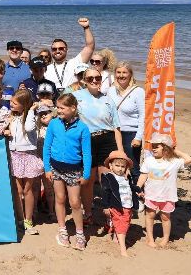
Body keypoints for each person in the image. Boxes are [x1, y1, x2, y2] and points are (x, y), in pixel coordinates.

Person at [74, 67, 123, 226]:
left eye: (97, 78)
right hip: (86, 140)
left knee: (108, 180)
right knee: (88, 180)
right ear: (84, 81)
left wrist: (120, 151)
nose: (94, 81)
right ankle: (88, 212)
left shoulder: (108, 100)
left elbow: (116, 128)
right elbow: (64, 114)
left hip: (107, 139)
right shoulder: (76, 97)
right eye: (90, 78)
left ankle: (110, 213)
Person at [43, 93, 91, 251]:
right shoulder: (53, 124)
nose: (59, 110)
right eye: (58, 107)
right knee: (60, 198)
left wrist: (86, 174)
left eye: (62, 108)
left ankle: (79, 234)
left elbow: (87, 153)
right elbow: (46, 147)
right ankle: (62, 230)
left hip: (74, 170)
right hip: (56, 168)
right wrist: (47, 168)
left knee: (75, 202)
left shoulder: (83, 128)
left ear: (73, 108)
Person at [137, 133, 191, 249]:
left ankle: (165, 238)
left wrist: (175, 150)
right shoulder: (148, 160)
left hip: (167, 196)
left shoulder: (174, 162)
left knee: (165, 217)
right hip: (151, 194)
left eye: (157, 146)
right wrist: (138, 187)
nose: (153, 148)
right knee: (150, 215)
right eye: (152, 145)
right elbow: (143, 175)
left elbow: (189, 159)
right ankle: (150, 237)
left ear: (165, 147)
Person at [4, 89, 43, 235]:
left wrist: (31, 110)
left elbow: (28, 128)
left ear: (24, 105)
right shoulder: (11, 117)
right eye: (12, 101)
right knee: (18, 190)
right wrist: (5, 131)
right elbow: (4, 129)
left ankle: (28, 220)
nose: (11, 104)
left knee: (28, 190)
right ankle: (19, 220)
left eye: (15, 103)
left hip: (28, 155)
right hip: (14, 155)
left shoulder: (30, 117)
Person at [106, 62, 145, 181]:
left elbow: (143, 116)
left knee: (132, 166)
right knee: (115, 165)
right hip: (113, 132)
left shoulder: (138, 91)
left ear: (130, 75)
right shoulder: (111, 90)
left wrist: (138, 137)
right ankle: (120, 193)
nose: (121, 75)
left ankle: (138, 194)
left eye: (124, 72)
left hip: (130, 134)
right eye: (118, 72)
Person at [100, 151, 141, 257]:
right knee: (122, 225)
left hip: (128, 205)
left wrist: (138, 190)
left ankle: (115, 238)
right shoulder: (108, 177)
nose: (120, 168)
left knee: (125, 223)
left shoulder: (126, 177)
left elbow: (130, 187)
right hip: (117, 205)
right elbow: (106, 192)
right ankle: (123, 250)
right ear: (110, 165)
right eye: (117, 165)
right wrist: (105, 206)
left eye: (123, 166)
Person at [45, 18, 95, 90]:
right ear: (51, 51)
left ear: (67, 50)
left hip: (72, 99)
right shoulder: (46, 69)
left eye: (61, 48)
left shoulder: (75, 63)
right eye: (54, 49)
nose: (57, 51)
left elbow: (90, 46)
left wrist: (86, 27)